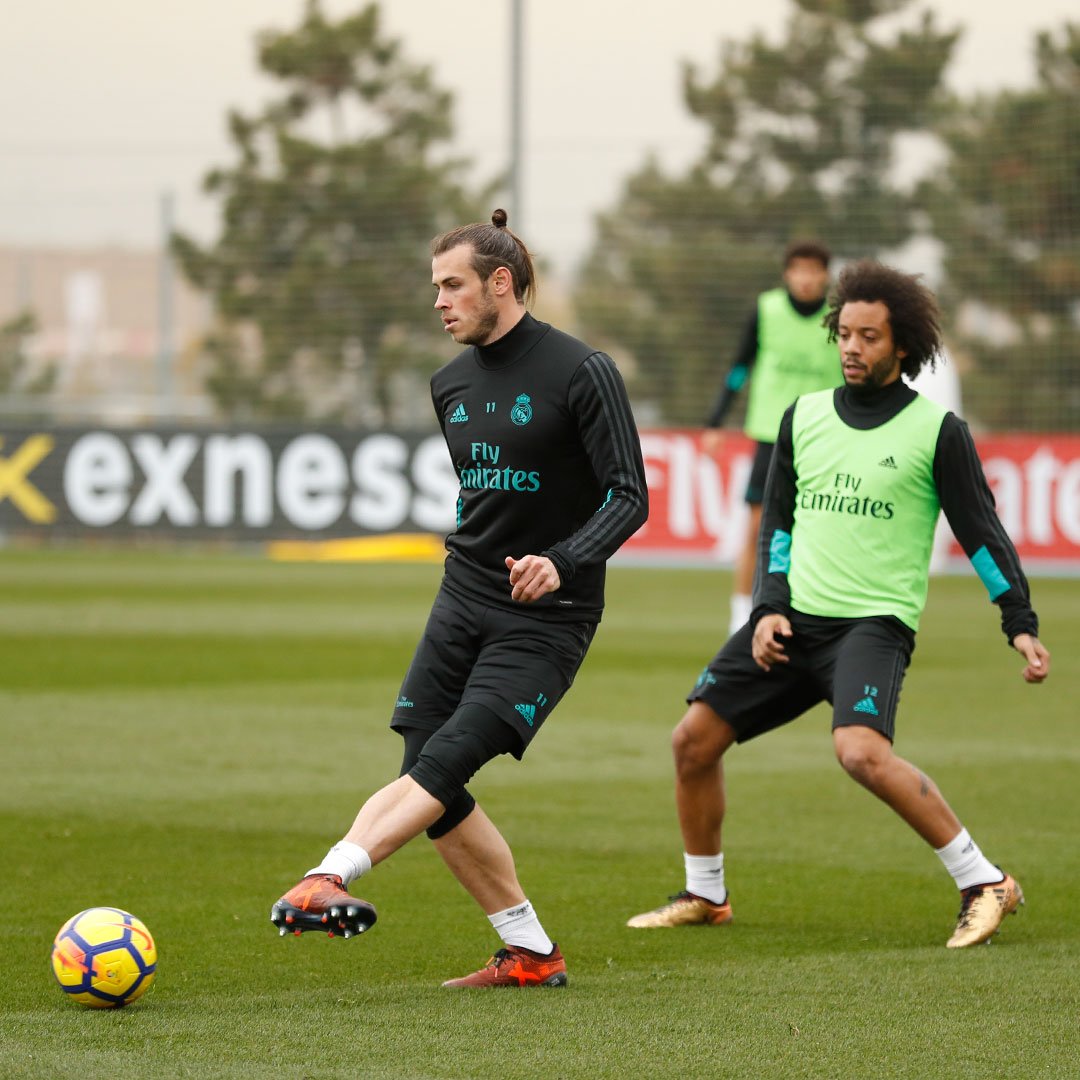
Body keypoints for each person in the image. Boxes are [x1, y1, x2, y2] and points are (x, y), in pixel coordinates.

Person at [271, 209, 649, 988]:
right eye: (434, 287)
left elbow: (630, 496)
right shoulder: (448, 385)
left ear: (500, 283)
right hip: (462, 596)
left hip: (549, 617)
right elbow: (486, 504)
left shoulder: (584, 371)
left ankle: (330, 873)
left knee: (446, 761)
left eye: (452, 285)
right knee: (425, 766)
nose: (438, 302)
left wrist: (564, 561)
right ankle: (531, 954)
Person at [628, 260, 1050, 948]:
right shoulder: (805, 418)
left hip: (872, 626)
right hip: (794, 619)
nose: (852, 347)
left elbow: (982, 534)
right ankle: (706, 893)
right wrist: (768, 608)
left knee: (859, 752)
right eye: (845, 333)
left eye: (870, 337)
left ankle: (985, 881)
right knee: (692, 743)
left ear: (902, 346)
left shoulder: (937, 430)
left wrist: (1019, 623)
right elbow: (779, 527)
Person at [702, 241, 841, 636]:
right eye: (799, 269)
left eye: (814, 270)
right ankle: (740, 614)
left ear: (825, 275)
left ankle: (815, 611)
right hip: (771, 436)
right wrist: (715, 421)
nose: (806, 278)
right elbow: (739, 368)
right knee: (757, 528)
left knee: (820, 528)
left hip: (824, 436)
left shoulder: (840, 315)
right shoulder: (767, 310)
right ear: (787, 274)